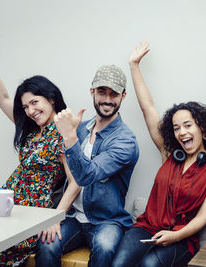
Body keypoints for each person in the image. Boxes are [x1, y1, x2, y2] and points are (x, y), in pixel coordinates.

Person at [111, 42, 206, 267]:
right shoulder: (170, 153)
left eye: (187, 125)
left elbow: (202, 219)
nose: (182, 132)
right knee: (119, 264)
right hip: (146, 227)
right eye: (176, 128)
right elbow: (148, 108)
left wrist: (174, 235)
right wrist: (134, 65)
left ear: (201, 127)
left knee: (150, 265)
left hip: (182, 237)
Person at [0, 29, 81, 266]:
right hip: (8, 206)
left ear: (52, 99)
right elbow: (1, 98)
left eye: (35, 102)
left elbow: (76, 181)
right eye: (25, 106)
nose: (30, 111)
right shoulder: (29, 128)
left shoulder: (62, 129)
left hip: (33, 213)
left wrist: (54, 219)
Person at [35, 64, 139, 267]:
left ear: (123, 96)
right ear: (92, 92)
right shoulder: (80, 128)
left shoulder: (126, 142)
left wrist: (69, 137)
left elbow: (86, 175)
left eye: (114, 93)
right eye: (102, 91)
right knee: (46, 244)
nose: (107, 99)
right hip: (72, 217)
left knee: (105, 247)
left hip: (107, 221)